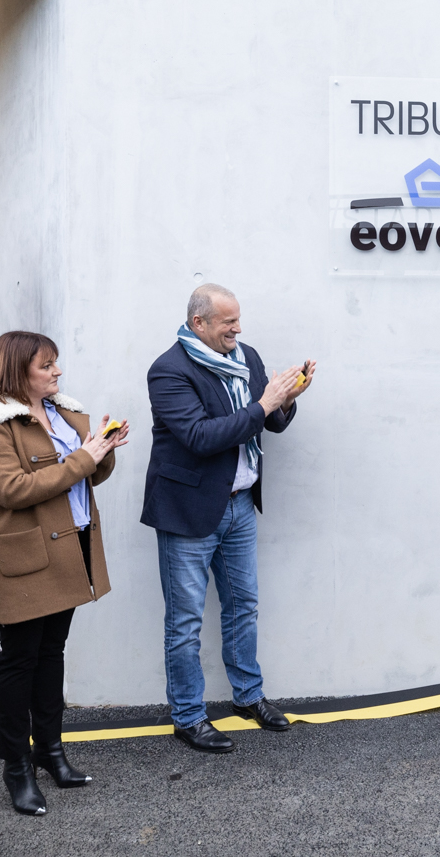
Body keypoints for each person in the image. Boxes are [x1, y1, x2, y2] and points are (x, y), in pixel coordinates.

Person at [142, 284, 314, 753]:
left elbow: (270, 423)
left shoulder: (246, 356)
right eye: (228, 323)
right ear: (199, 323)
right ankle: (188, 716)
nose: (238, 330)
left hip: (239, 506)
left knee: (244, 608)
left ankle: (248, 697)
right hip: (188, 513)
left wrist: (289, 397)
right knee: (185, 622)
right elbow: (201, 437)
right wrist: (264, 402)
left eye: (238, 320)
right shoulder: (169, 370)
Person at [0, 331, 127, 816]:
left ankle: (51, 752)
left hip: (71, 544)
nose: (57, 372)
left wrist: (105, 447)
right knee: (19, 660)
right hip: (23, 554)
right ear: (17, 371)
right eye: (47, 366)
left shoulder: (66, 412)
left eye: (56, 364)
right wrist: (84, 457)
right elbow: (13, 489)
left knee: (52, 653)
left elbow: (90, 475)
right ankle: (17, 766)